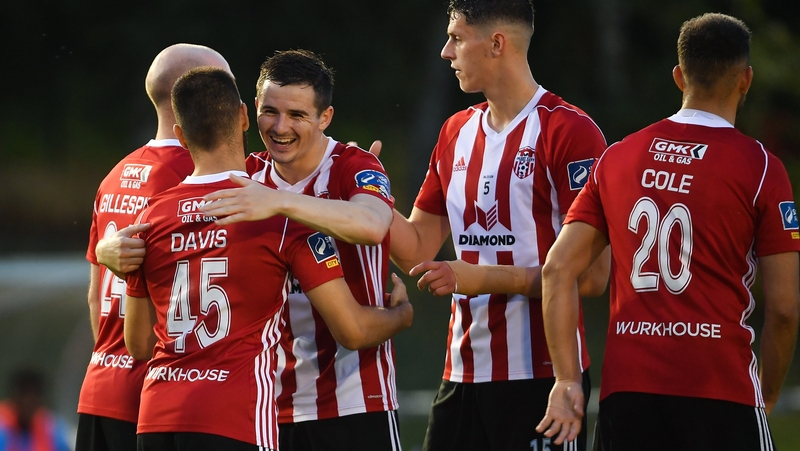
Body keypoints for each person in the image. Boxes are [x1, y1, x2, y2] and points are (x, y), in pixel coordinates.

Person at [102, 49, 404, 450]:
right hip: (259, 410)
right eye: (270, 112)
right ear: (248, 114)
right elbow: (352, 328)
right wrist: (402, 315)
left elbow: (373, 225)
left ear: (325, 117)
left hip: (351, 400)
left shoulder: (350, 165)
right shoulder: (257, 189)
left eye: (297, 115)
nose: (280, 127)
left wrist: (280, 200)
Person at [536, 13, 800, 451]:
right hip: (722, 391)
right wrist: (766, 396)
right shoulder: (761, 168)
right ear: (746, 81)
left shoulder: (618, 156)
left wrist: (566, 377)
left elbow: (556, 269)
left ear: (679, 76)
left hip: (628, 395)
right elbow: (786, 308)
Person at [385, 1, 609, 450]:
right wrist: (363, 196)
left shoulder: (568, 131)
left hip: (543, 379)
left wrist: (483, 277)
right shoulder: (455, 131)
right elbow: (415, 249)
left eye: (456, 38)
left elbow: (592, 277)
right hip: (462, 374)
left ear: (496, 44)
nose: (446, 52)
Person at [77, 43, 233, 451]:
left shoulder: (116, 174)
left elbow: (96, 297)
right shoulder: (193, 177)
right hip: (155, 396)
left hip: (99, 386)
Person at [0, 368, 71, 451]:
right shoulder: (2, 428)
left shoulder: (53, 429)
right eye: (24, 394)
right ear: (14, 397)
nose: (27, 401)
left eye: (33, 397)